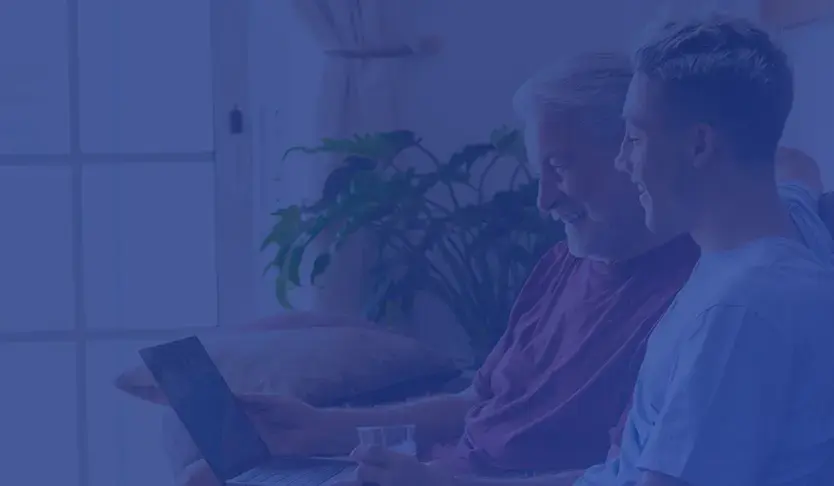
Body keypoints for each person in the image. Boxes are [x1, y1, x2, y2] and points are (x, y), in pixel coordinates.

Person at [342, 14, 834, 486]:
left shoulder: (738, 312)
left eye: (636, 139)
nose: (625, 161)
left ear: (700, 146)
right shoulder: (742, 262)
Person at [179, 52, 703, 486]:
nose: (544, 200)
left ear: (631, 154)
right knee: (204, 476)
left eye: (559, 167)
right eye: (537, 172)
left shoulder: (690, 301)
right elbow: (480, 401)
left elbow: (621, 476)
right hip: (435, 471)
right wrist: (322, 428)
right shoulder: (563, 262)